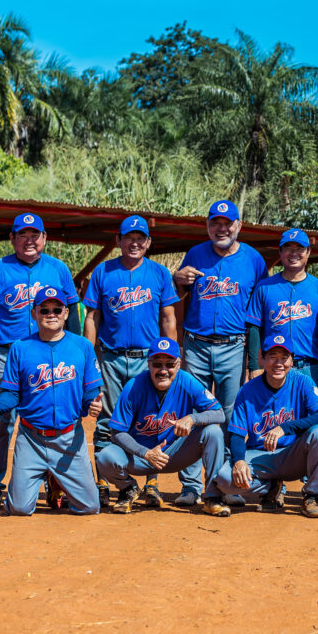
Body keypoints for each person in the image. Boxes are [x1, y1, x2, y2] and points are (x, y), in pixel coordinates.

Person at [0, 212, 80, 511]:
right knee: (0, 421)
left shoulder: (58, 269)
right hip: (8, 355)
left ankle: (56, 482)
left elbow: (72, 310)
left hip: (51, 354)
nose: (29, 240)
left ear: (44, 238)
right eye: (23, 234)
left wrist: (75, 351)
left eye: (35, 235)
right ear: (12, 238)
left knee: (54, 416)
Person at [174, 199, 268, 507]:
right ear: (208, 226)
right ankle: (190, 485)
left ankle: (223, 482)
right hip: (196, 344)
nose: (222, 228)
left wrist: (255, 360)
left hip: (233, 346)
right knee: (193, 411)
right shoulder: (195, 254)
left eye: (228, 223)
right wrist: (178, 280)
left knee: (229, 414)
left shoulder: (253, 260)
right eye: (215, 223)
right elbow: (178, 295)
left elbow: (259, 311)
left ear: (239, 225)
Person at [0, 287, 103, 516]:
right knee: (19, 508)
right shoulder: (20, 348)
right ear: (34, 313)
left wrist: (92, 405)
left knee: (90, 506)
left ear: (66, 313)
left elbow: (90, 391)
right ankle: (47, 475)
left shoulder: (83, 346)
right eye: (44, 310)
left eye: (57, 309)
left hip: (69, 440)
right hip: (32, 439)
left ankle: (56, 479)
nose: (51, 314)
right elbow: (12, 394)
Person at [84, 215, 178, 509]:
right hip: (111, 358)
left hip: (148, 360)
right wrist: (89, 358)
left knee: (149, 420)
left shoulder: (159, 273)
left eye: (140, 238)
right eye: (129, 238)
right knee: (106, 420)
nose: (134, 243)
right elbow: (92, 317)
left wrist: (172, 359)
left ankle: (151, 483)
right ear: (119, 241)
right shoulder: (103, 271)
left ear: (148, 242)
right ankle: (103, 482)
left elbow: (168, 318)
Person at [93, 337, 232, 517]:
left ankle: (213, 497)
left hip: (177, 453)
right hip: (140, 457)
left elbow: (219, 413)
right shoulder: (133, 386)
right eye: (157, 364)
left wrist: (192, 418)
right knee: (105, 457)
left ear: (179, 364)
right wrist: (145, 453)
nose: (163, 370)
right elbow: (117, 432)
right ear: (148, 364)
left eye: (170, 364)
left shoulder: (187, 381)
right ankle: (128, 488)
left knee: (213, 432)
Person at [216, 334, 318, 518]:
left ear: (291, 361)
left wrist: (285, 427)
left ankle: (311, 496)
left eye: (284, 358)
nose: (279, 363)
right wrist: (238, 461)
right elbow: (237, 434)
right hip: (260, 456)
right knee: (225, 480)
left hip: (294, 454)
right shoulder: (247, 390)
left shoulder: (303, 381)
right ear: (262, 360)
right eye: (272, 357)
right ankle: (271, 487)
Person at [245, 228, 318, 394]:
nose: (294, 253)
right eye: (288, 248)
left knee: (316, 411)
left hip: (309, 367)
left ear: (308, 252)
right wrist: (254, 366)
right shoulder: (264, 287)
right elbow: (254, 327)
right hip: (275, 368)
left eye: (299, 249)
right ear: (280, 252)